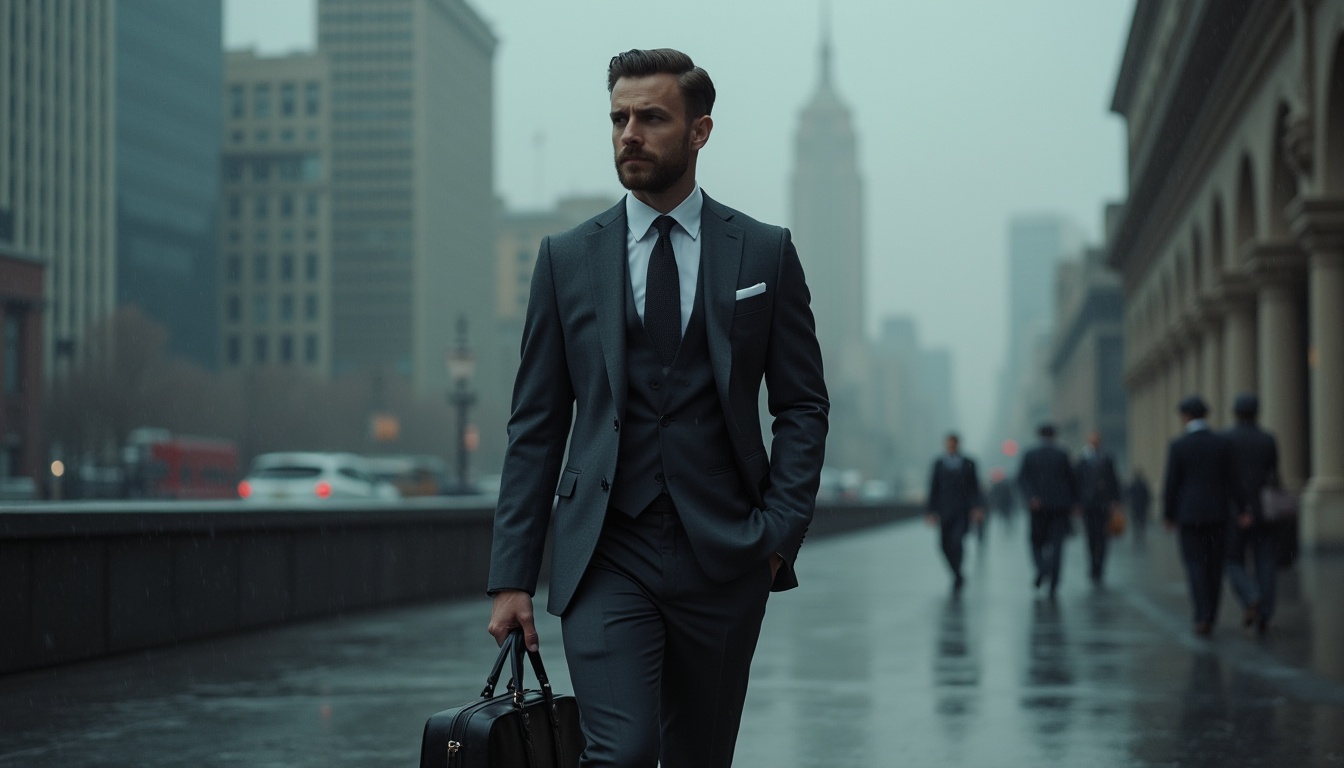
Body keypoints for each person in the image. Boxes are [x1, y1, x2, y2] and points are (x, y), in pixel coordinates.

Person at [485, 49, 829, 768]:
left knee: (699, 757)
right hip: (606, 551)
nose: (628, 134)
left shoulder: (764, 253)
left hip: (728, 553)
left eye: (650, 117)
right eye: (618, 118)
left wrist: (777, 535)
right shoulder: (566, 258)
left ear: (699, 131)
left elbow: (801, 405)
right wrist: (513, 576)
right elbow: (536, 424)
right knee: (624, 751)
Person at [1162, 395, 1243, 637]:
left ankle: (1201, 614)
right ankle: (1212, 614)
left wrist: (1169, 514)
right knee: (1214, 566)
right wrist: (1241, 509)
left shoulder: (1179, 445)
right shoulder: (1222, 443)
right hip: (1218, 513)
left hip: (1189, 514)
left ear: (1185, 416)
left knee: (1195, 564)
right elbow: (1233, 480)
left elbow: (1172, 484)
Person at [1222, 393, 1281, 634]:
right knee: (1265, 561)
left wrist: (1240, 507)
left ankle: (1251, 595)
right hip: (1263, 510)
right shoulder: (1267, 440)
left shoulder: (1225, 440)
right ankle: (1264, 612)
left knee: (1233, 561)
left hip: (1235, 511)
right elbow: (1274, 477)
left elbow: (1225, 479)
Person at [1017, 423, 1078, 599]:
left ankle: (1043, 569)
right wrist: (1074, 502)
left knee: (1036, 543)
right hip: (1059, 507)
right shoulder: (1062, 454)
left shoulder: (1030, 455)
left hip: (1038, 508)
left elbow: (1022, 479)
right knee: (1057, 546)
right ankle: (1054, 580)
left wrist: (1031, 497)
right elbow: (1071, 479)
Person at [925, 433, 985, 592]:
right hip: (944, 511)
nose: (951, 447)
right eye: (948, 444)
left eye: (953, 444)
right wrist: (930, 511)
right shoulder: (938, 463)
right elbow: (933, 488)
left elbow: (975, 488)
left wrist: (977, 508)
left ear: (958, 445)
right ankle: (956, 573)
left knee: (957, 542)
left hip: (963, 511)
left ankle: (958, 572)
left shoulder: (969, 463)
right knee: (943, 545)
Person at [1074, 430, 1122, 584]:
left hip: (1104, 505)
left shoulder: (1107, 459)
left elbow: (1114, 481)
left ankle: (1100, 567)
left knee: (1103, 538)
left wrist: (1115, 501)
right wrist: (1077, 503)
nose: (1095, 443)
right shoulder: (1082, 460)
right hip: (1088, 506)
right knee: (1090, 538)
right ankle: (1093, 566)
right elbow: (1076, 483)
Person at [1126, 469, 1152, 541]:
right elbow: (1148, 496)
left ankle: (1137, 533)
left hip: (1135, 506)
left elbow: (1128, 495)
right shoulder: (1144, 485)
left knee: (1135, 520)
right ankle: (1141, 533)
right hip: (1142, 506)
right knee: (1142, 520)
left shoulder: (1133, 484)